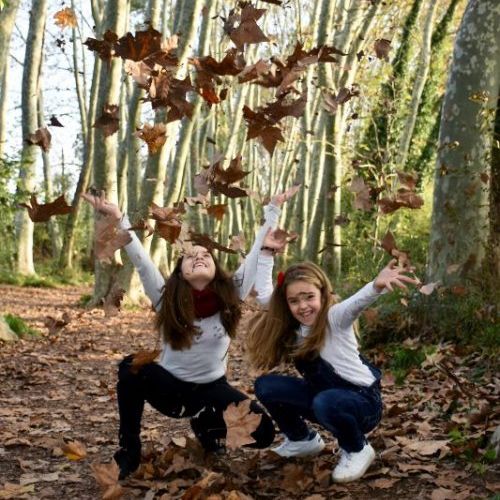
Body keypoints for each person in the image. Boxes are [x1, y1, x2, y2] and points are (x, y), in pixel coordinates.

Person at [82, 190, 294, 479]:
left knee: (264, 433)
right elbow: (142, 261)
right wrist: (119, 218)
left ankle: (207, 429)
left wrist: (273, 209)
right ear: (180, 273)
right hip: (169, 388)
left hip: (211, 389)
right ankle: (129, 451)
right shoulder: (165, 298)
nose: (199, 257)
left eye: (206, 255)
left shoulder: (231, 296)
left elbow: (257, 252)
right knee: (130, 369)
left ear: (216, 268)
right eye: (191, 256)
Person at [247, 258, 418, 483]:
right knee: (266, 386)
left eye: (309, 297)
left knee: (326, 402)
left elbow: (355, 304)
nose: (303, 306)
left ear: (322, 294)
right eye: (294, 301)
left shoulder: (334, 318)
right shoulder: (294, 325)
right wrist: (267, 253)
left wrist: (376, 286)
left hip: (362, 403)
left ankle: (357, 449)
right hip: (323, 396)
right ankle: (302, 440)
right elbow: (265, 294)